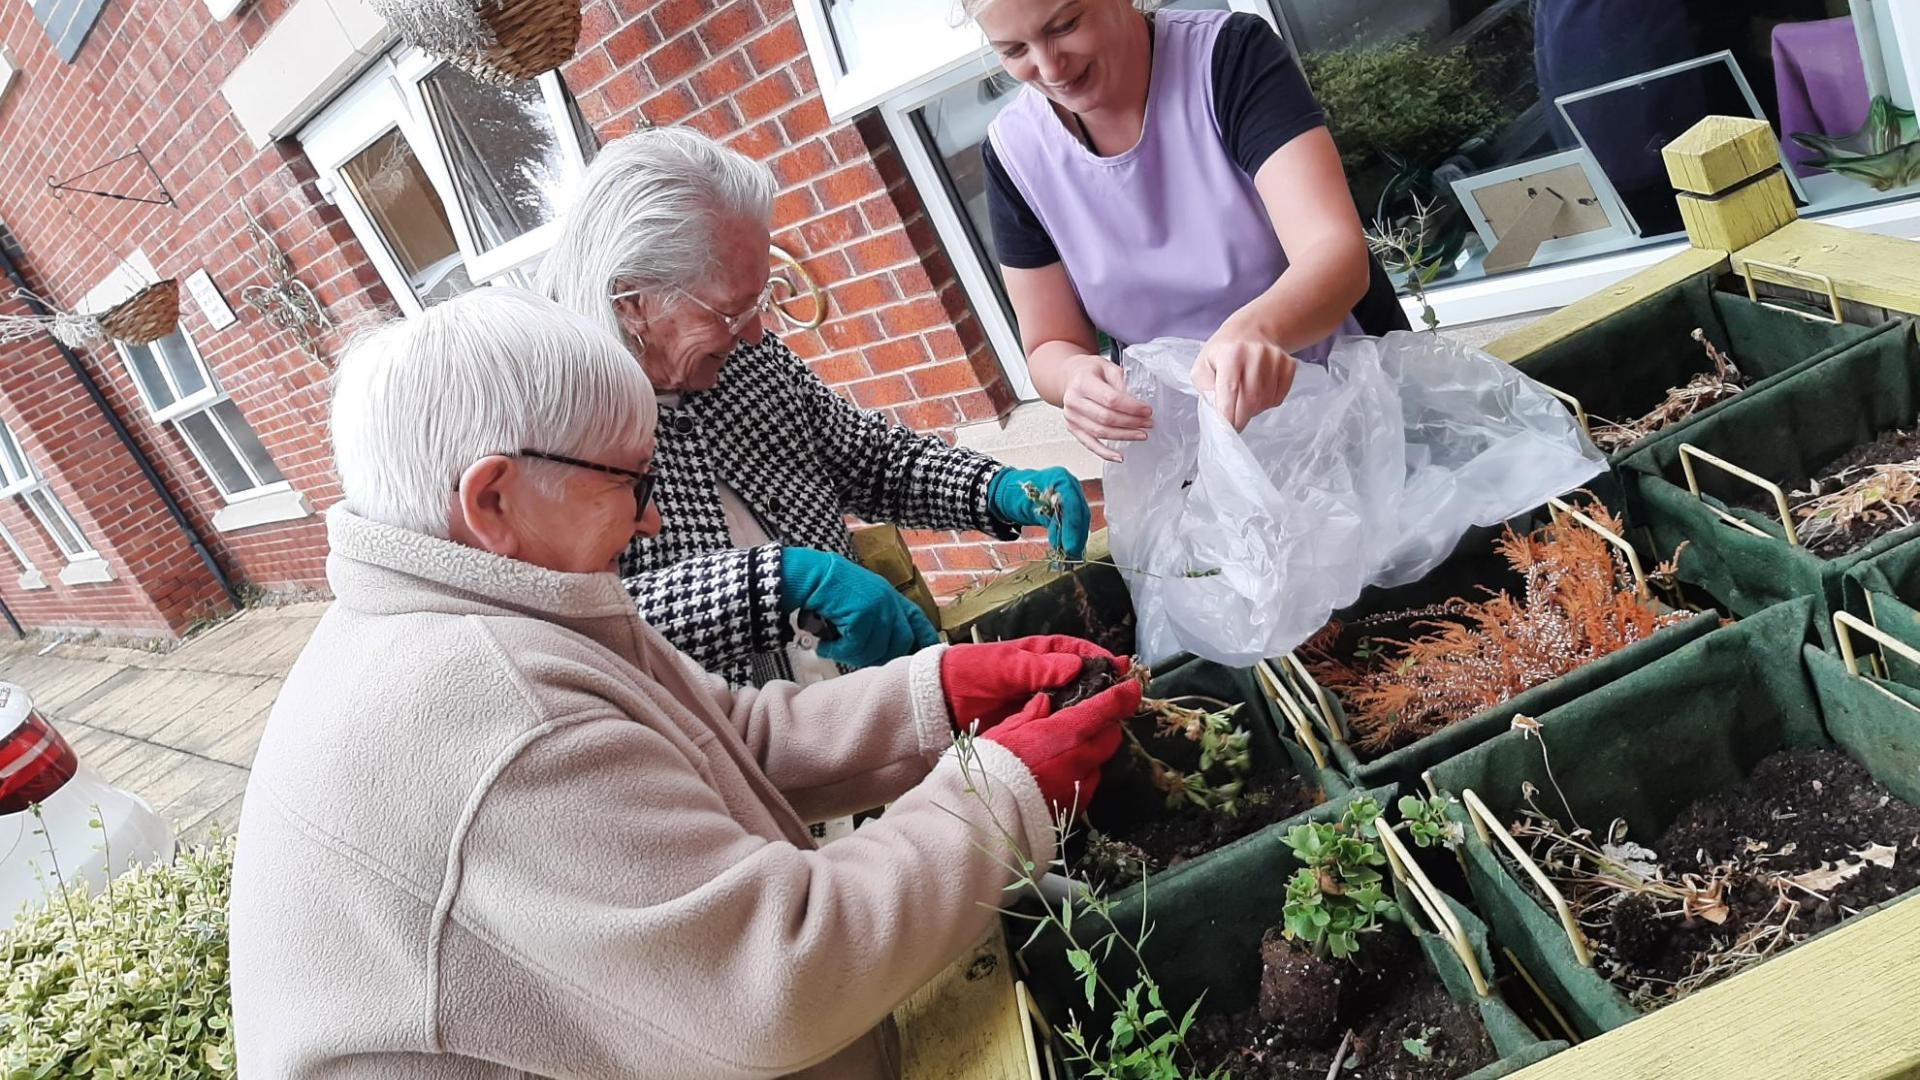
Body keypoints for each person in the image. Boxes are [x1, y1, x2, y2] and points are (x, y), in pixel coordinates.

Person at [227, 288, 1141, 1078]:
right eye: (631, 479)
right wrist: (1005, 787)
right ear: (492, 499)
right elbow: (777, 977)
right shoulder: (494, 713)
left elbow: (728, 738)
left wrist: (938, 694)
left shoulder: (501, 599)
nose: (653, 513)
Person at [540, 128, 1092, 688]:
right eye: (731, 311)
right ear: (633, 302)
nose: (755, 335)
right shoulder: (554, 430)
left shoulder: (746, 363)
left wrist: (995, 488)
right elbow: (581, 623)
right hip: (744, 753)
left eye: (760, 301)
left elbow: (872, 460)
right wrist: (777, 584)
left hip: (863, 702)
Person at [971, 0, 1411, 460]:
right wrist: (1074, 378)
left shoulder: (1230, 55)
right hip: (1201, 455)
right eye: (1014, 49)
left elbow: (1335, 253)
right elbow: (1048, 343)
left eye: (1065, 25)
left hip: (1364, 409)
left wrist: (1257, 329)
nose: (1050, 67)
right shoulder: (1013, 155)